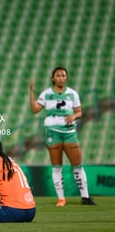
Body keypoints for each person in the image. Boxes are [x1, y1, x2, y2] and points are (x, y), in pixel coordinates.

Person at [30, 67, 96, 206]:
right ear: (53, 78)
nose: (61, 77)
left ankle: (85, 197)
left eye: (63, 75)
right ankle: (61, 199)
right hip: (52, 132)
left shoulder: (72, 93)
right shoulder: (46, 94)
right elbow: (35, 110)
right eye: (58, 75)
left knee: (77, 165)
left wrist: (74, 116)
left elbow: (79, 112)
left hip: (69, 132)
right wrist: (31, 92)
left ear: (66, 78)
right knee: (56, 166)